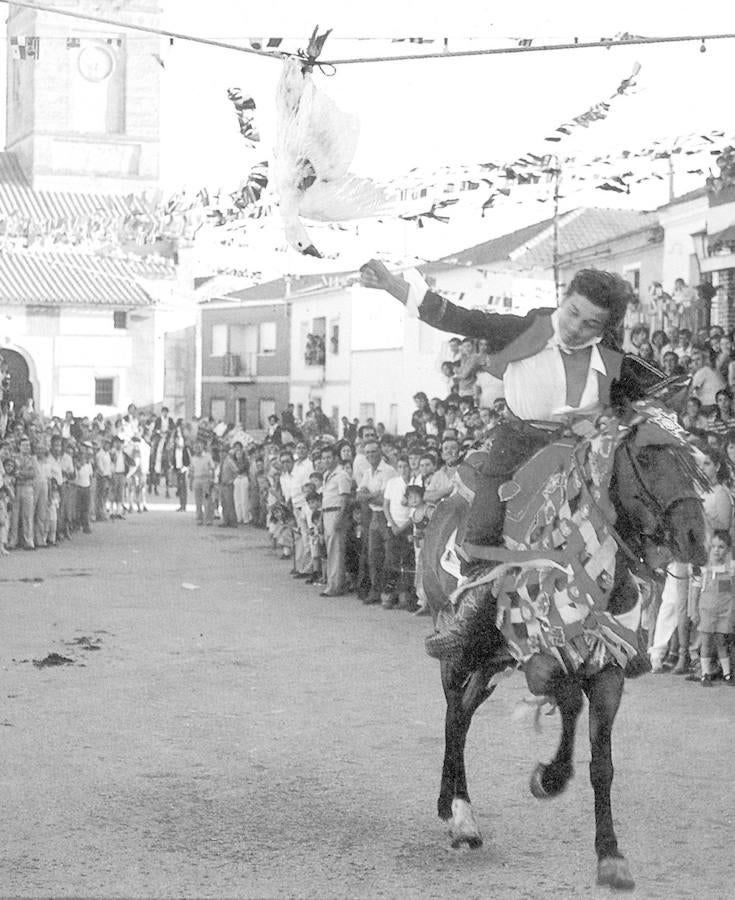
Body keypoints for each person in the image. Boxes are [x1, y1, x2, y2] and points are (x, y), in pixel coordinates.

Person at [360, 261, 663, 564]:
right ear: (564, 300)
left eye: (590, 324)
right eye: (573, 312)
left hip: (584, 452)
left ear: (604, 328)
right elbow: (458, 318)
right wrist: (392, 285)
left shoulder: (613, 359)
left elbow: (659, 395)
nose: (575, 328)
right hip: (519, 442)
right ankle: (475, 590)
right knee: (485, 522)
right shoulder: (525, 329)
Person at [689, 530, 735, 685]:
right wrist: (694, 610)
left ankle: (727, 673)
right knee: (706, 642)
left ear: (728, 549)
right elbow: (695, 591)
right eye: (714, 546)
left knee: (722, 641)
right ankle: (705, 673)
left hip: (725, 611)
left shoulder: (731, 568)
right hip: (706, 610)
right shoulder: (703, 568)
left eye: (721, 547)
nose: (717, 550)